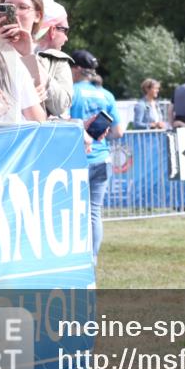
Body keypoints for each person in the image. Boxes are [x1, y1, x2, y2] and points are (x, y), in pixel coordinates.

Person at [68, 49, 123, 264]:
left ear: (76, 69)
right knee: (94, 212)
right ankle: (92, 258)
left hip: (77, 158)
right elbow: (118, 132)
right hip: (102, 159)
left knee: (71, 210)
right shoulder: (107, 94)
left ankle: (73, 256)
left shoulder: (71, 92)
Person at [0, 0, 46, 101]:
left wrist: (27, 56)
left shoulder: (43, 56)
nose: (15, 13)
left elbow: (38, 97)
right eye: (8, 7)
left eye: (23, 7)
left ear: (37, 16)